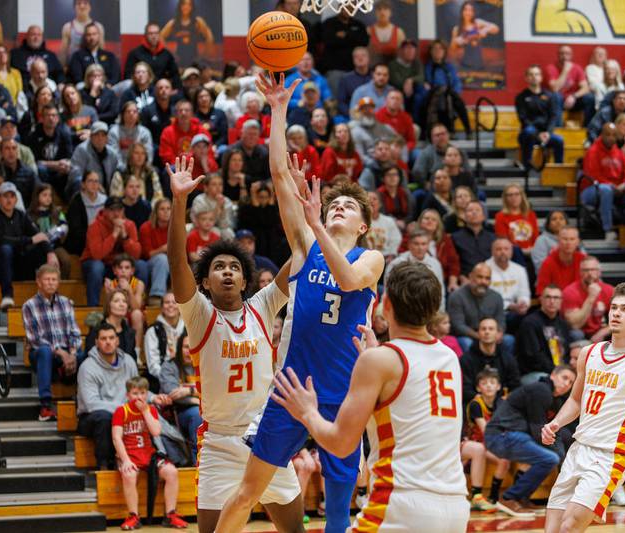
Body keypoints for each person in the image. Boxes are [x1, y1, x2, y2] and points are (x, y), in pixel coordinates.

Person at [216, 73, 383, 533]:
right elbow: (277, 174)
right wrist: (277, 109)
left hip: (343, 395)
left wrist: (318, 227)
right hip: (291, 389)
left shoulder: (371, 257)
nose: (337, 208)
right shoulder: (306, 244)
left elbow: (349, 282)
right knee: (248, 492)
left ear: (364, 225)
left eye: (348, 207)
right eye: (333, 205)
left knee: (336, 513)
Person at [270, 261, 471, 532]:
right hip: (456, 506)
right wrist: (378, 358)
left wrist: (307, 412)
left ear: (385, 304)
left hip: (402, 505)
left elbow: (341, 444)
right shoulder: (449, 357)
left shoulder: (380, 361)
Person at [166, 153, 303, 532]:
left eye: (235, 268)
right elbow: (177, 263)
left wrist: (307, 213)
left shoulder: (263, 305)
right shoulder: (200, 315)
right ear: (206, 283)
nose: (227, 272)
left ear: (245, 281)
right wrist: (179, 203)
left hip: (266, 438)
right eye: (218, 268)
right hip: (220, 444)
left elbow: (301, 256)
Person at [542, 283, 625, 532]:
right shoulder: (588, 353)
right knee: (552, 529)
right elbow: (575, 400)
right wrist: (557, 422)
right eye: (614, 307)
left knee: (569, 526)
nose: (615, 313)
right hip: (578, 448)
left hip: (609, 456)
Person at [484, 365, 576, 516]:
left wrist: (560, 454)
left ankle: (521, 498)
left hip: (515, 436)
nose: (566, 384)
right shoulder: (541, 390)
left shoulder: (556, 400)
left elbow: (556, 432)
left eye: (571, 382)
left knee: (547, 457)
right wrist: (558, 455)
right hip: (501, 434)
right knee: (549, 458)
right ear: (553, 375)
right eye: (564, 378)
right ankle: (509, 497)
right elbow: (537, 429)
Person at [113, 376, 188, 530]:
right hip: (129, 455)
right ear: (128, 395)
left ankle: (170, 515)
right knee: (129, 474)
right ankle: (133, 516)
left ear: (147, 394)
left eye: (142, 393)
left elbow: (155, 431)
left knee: (172, 472)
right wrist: (125, 460)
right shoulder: (121, 411)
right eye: (135, 393)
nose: (139, 397)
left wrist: (146, 411)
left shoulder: (151, 410)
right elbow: (116, 438)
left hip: (148, 454)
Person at [0, 182, 57, 310]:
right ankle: (7, 295)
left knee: (40, 250)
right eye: (5, 196)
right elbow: (1, 241)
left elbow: (38, 236)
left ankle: (47, 294)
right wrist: (29, 240)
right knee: (6, 249)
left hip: (17, 265)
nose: (9, 200)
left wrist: (50, 252)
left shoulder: (21, 215)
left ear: (16, 199)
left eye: (12, 196)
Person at [22, 264, 82, 422]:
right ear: (39, 282)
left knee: (86, 354)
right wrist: (61, 353)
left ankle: (81, 401)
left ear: (59, 282)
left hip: (66, 352)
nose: (50, 283)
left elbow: (75, 332)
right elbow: (35, 338)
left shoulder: (66, 302)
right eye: (47, 279)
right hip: (42, 352)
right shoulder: (29, 305)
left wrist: (73, 354)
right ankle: (46, 406)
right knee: (44, 351)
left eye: (54, 280)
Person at [76, 322, 138, 470]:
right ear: (97, 342)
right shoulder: (87, 367)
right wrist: (122, 409)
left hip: (123, 413)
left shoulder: (129, 361)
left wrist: (154, 398)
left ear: (117, 340)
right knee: (105, 418)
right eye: (103, 339)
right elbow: (91, 404)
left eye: (111, 338)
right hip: (90, 418)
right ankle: (104, 466)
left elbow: (137, 389)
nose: (108, 342)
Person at [81, 196, 145, 307]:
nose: (116, 213)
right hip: (98, 263)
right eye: (112, 210)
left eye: (119, 210)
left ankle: (137, 303)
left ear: (123, 211)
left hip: (119, 266)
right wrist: (114, 235)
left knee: (141, 265)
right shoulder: (95, 226)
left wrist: (125, 237)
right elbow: (97, 255)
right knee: (97, 267)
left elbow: (136, 255)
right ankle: (93, 307)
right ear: (105, 211)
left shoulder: (129, 225)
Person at [465, 368, 511, 505]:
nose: (489, 385)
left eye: (492, 382)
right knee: (503, 459)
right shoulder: (476, 404)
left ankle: (494, 496)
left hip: (492, 442)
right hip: (477, 442)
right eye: (484, 383)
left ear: (498, 387)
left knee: (508, 458)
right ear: (478, 388)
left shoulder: (501, 403)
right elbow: (486, 431)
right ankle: (488, 496)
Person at [582, 123, 625, 240]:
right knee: (606, 190)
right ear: (602, 135)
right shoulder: (593, 151)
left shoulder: (618, 152)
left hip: (616, 188)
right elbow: (593, 175)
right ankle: (607, 229)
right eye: (608, 134)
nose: (611, 138)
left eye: (614, 135)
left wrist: (624, 185)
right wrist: (613, 186)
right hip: (591, 190)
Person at [447, 263, 508, 355]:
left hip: (489, 334)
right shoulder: (457, 296)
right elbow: (458, 326)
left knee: (508, 340)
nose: (483, 281)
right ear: (471, 277)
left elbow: (501, 320)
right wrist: (480, 336)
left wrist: (499, 333)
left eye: (487, 278)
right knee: (466, 343)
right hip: (467, 336)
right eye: (480, 277)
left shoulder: (496, 297)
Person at [158, 333, 202, 463]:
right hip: (181, 411)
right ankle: (197, 464)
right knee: (197, 414)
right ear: (179, 348)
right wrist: (198, 399)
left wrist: (189, 391)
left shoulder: (205, 365)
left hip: (207, 407)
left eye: (193, 347)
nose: (189, 351)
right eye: (186, 347)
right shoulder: (169, 366)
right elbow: (173, 395)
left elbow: (215, 391)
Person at [516, 284, 571, 384]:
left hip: (558, 370)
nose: (552, 301)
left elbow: (567, 352)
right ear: (541, 299)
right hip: (536, 373)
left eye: (556, 298)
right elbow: (533, 357)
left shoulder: (563, 324)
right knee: (556, 382)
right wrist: (556, 371)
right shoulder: (530, 323)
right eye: (548, 297)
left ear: (561, 301)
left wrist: (565, 370)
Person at [460, 317, 521, 401]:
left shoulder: (508, 358)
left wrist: (505, 399)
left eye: (491, 329)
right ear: (478, 333)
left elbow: (516, 385)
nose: (487, 332)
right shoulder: (466, 359)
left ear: (498, 333)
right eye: (483, 329)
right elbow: (464, 388)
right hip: (475, 404)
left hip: (503, 404)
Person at [516, 65, 564, 169]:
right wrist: (537, 134)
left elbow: (553, 116)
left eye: (536, 74)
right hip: (528, 134)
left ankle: (558, 170)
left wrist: (548, 132)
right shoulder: (521, 97)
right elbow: (523, 119)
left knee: (559, 140)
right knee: (528, 131)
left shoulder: (549, 96)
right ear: (526, 78)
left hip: (546, 134)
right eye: (531, 74)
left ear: (541, 77)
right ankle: (526, 166)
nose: (534, 77)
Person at [386, 228, 445, 310]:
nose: (420, 248)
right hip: (402, 308)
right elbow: (388, 291)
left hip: (428, 308)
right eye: (416, 244)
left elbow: (440, 293)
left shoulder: (435, 264)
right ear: (409, 245)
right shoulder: (396, 264)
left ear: (428, 245)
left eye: (423, 244)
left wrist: (440, 313)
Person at [423, 40, 471, 136]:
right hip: (434, 95)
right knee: (444, 96)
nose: (437, 51)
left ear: (444, 52)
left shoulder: (449, 67)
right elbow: (427, 83)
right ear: (431, 52)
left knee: (454, 98)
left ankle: (468, 131)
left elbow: (457, 83)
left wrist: (454, 92)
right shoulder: (427, 67)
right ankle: (451, 131)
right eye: (435, 49)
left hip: (450, 94)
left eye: (440, 48)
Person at [101, 255, 146, 358]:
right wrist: (109, 292)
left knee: (137, 314)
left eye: (127, 268)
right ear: (114, 271)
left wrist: (129, 290)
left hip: (135, 318)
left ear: (132, 271)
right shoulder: (112, 284)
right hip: (118, 316)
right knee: (115, 315)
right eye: (120, 268)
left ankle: (137, 352)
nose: (123, 271)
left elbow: (136, 307)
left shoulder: (138, 284)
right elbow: (107, 311)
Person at [562, 256, 615, 343]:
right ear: (580, 272)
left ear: (599, 272)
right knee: (576, 334)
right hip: (580, 333)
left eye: (593, 269)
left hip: (601, 331)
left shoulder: (609, 290)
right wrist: (591, 298)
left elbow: (621, 319)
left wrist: (602, 332)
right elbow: (575, 325)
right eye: (586, 270)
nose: (590, 273)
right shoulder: (570, 291)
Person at [27, 103, 74, 197]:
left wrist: (65, 165)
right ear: (42, 118)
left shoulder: (64, 133)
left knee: (71, 170)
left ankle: (66, 202)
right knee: (40, 169)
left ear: (58, 118)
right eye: (48, 115)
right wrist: (56, 164)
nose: (51, 118)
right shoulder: (34, 135)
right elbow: (35, 162)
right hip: (44, 171)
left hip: (60, 170)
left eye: (54, 115)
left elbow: (69, 158)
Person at [486, 238, 530, 333]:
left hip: (516, 311)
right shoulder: (485, 269)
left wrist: (523, 304)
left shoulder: (519, 269)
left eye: (506, 249)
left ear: (512, 251)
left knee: (529, 321)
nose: (503, 252)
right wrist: (509, 306)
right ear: (492, 251)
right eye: (499, 249)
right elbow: (487, 299)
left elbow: (524, 293)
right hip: (493, 313)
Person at [544, 45, 595, 126]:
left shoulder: (577, 68)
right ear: (558, 55)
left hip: (573, 101)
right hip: (557, 102)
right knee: (556, 96)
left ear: (571, 56)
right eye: (562, 53)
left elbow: (585, 88)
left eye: (567, 54)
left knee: (590, 97)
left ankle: (588, 128)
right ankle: (558, 129)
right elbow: (555, 89)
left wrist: (574, 96)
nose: (564, 56)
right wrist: (565, 71)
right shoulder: (551, 68)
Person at [28, 184, 71, 279]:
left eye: (50, 195)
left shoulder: (57, 212)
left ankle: (61, 284)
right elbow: (33, 232)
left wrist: (55, 232)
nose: (48, 198)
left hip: (55, 245)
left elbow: (64, 226)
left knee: (65, 260)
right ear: (37, 196)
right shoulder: (30, 215)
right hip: (38, 248)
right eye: (44, 195)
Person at [68, 121, 120, 197]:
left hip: (106, 191)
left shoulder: (112, 153)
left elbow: (118, 169)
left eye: (103, 135)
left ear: (107, 138)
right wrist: (94, 184)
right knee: (78, 181)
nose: (100, 138)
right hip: (85, 188)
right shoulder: (81, 150)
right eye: (96, 135)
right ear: (91, 137)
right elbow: (74, 174)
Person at [86, 288, 137, 364]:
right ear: (108, 305)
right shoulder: (97, 329)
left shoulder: (129, 332)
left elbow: (132, 361)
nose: (122, 304)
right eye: (116, 301)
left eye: (124, 301)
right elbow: (90, 356)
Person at [144, 291, 185, 386]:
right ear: (162, 308)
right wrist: (169, 379)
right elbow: (153, 366)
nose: (171, 305)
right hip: (162, 381)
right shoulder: (153, 331)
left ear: (180, 307)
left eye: (174, 302)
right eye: (167, 302)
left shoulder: (187, 329)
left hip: (187, 377)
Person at [159, 0, 214, 68]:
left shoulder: (197, 22)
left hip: (194, 58)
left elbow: (209, 37)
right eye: (184, 4)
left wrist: (204, 54)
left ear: (192, 7)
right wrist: (171, 54)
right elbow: (160, 37)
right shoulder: (174, 23)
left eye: (189, 4)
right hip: (179, 60)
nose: (186, 7)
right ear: (180, 6)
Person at [64, 171, 107, 256]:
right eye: (90, 181)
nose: (94, 184)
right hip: (82, 245)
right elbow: (76, 231)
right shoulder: (76, 202)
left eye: (96, 181)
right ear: (83, 184)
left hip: (103, 242)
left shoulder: (106, 201)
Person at [417, 209, 461, 293]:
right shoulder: (410, 237)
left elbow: (453, 263)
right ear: (420, 222)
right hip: (415, 279)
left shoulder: (445, 240)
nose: (430, 221)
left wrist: (452, 283)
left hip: (439, 280)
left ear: (438, 224)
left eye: (434, 220)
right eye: (426, 218)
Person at [448, 0, 499, 70]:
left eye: (471, 10)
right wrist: (457, 41)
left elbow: (496, 28)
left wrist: (485, 30)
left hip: (479, 64)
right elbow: (452, 49)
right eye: (466, 10)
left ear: (473, 13)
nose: (468, 13)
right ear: (462, 11)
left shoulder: (478, 23)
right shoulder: (456, 29)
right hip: (464, 64)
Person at [159, 100, 213, 166]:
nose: (183, 113)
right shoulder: (167, 132)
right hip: (177, 167)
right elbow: (166, 156)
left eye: (187, 110)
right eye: (180, 110)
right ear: (176, 114)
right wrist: (182, 165)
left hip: (198, 165)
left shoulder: (201, 130)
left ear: (192, 114)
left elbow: (209, 151)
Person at [139, 199, 172, 307]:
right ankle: (156, 296)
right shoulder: (146, 227)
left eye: (168, 209)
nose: (166, 212)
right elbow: (146, 254)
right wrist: (162, 249)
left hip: (171, 262)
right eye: (162, 209)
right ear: (156, 212)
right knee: (162, 259)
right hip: (150, 263)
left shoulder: (176, 227)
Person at [452, 200, 495, 278]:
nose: (474, 212)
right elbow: (453, 263)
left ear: (484, 216)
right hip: (465, 279)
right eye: (470, 210)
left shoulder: (492, 238)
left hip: (490, 278)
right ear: (464, 216)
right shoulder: (455, 238)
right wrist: (461, 277)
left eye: (477, 210)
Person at [536, 226, 585, 296]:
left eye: (572, 239)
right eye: (565, 239)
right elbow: (541, 293)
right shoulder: (548, 263)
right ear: (558, 240)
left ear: (577, 242)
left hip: (580, 303)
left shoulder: (583, 260)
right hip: (556, 304)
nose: (568, 243)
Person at [495, 183, 539, 254]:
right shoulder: (500, 216)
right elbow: (503, 241)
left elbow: (536, 238)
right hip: (513, 254)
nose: (513, 197)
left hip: (532, 252)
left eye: (517, 194)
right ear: (505, 198)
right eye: (510, 195)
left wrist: (533, 250)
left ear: (522, 196)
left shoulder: (531, 214)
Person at [60, 0, 105, 64]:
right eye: (78, 3)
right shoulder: (68, 27)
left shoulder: (98, 27)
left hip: (93, 67)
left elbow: (102, 50)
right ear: (74, 7)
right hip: (74, 66)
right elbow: (63, 53)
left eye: (85, 3)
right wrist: (62, 69)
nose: (82, 6)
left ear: (90, 6)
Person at [0, 138, 39, 208]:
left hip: (24, 213)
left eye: (14, 148)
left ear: (17, 151)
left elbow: (39, 192)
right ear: (1, 152)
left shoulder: (28, 172)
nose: (11, 152)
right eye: (7, 148)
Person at [365, 191, 402, 263]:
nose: (371, 201)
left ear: (380, 204)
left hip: (386, 258)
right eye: (368, 199)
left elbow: (396, 239)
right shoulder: (358, 220)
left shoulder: (389, 221)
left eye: (374, 199)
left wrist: (392, 255)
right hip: (364, 258)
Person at [336, 47, 371, 118]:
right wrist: (351, 114)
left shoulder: (375, 77)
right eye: (357, 56)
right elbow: (341, 102)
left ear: (369, 59)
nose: (360, 58)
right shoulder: (345, 79)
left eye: (363, 55)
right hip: (353, 115)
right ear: (353, 60)